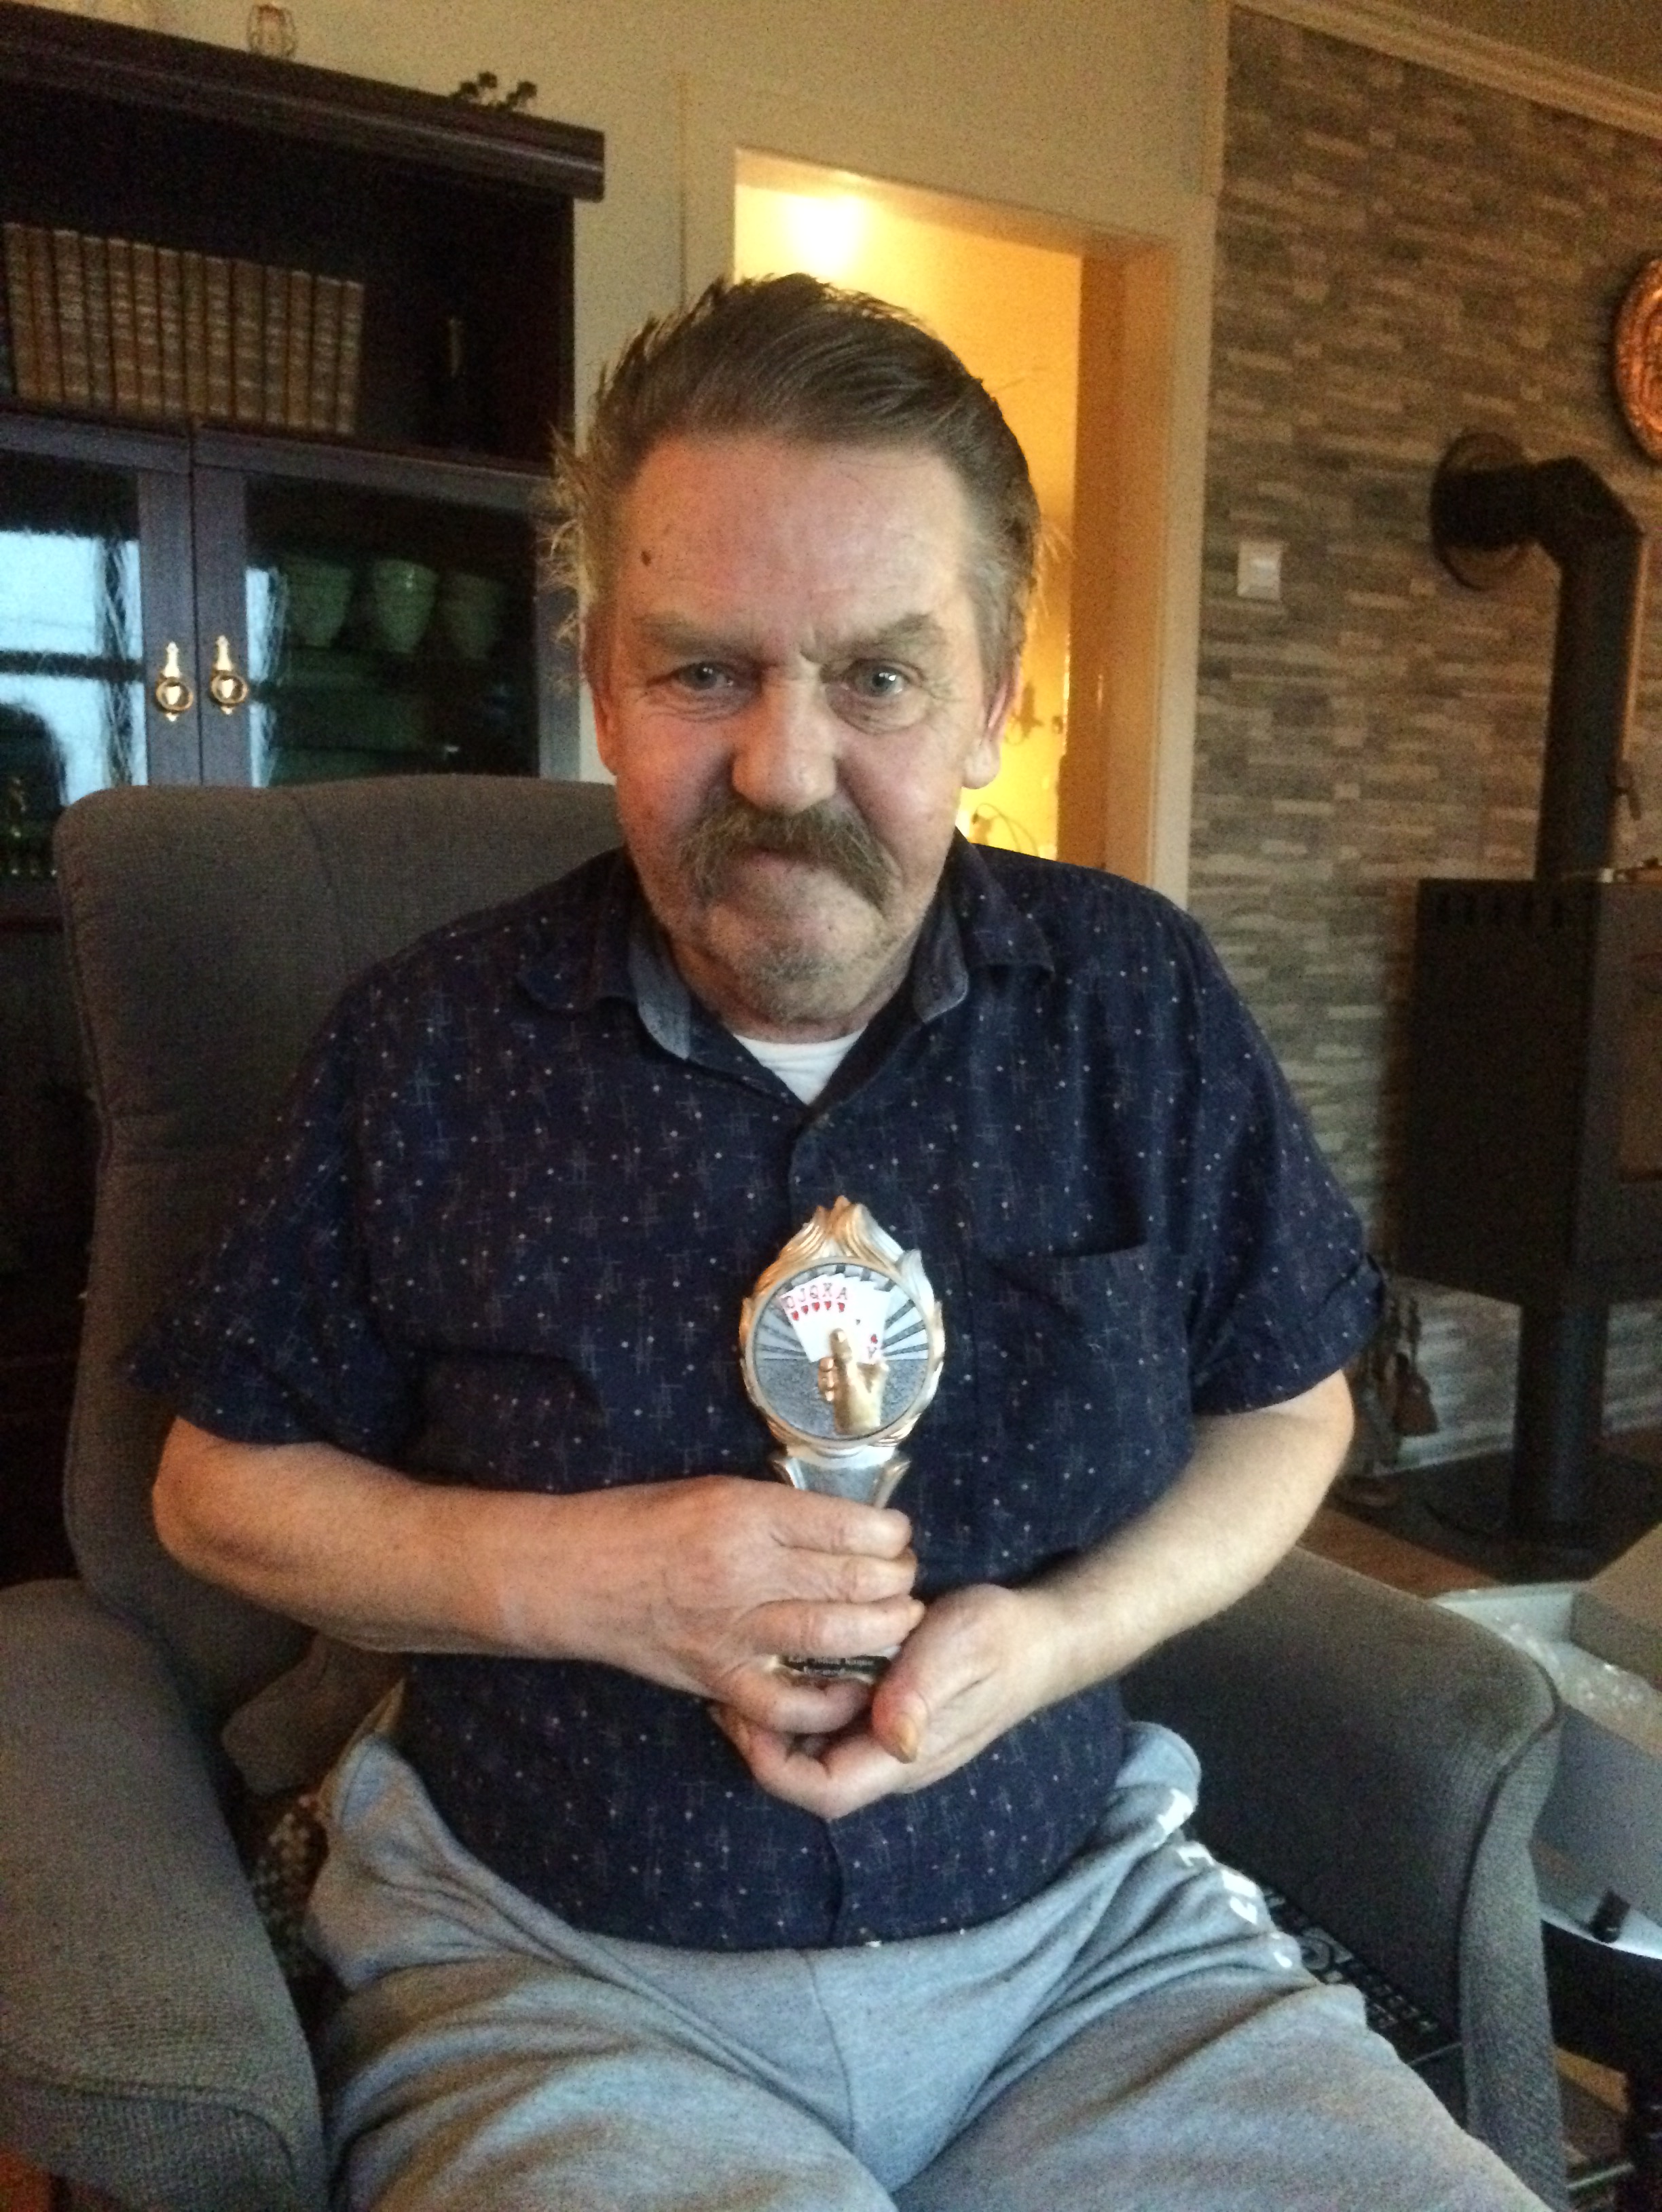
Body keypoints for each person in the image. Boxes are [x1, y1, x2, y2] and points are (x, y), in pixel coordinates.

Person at [136, 276, 1550, 2212]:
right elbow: (212, 1489)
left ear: (995, 693)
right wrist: (593, 1580)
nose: (785, 770)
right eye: (702, 673)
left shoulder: (1138, 1003)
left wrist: (1059, 1641)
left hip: (1094, 1965)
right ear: (601, 677)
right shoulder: (423, 1044)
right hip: (555, 1974)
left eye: (878, 677)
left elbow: (1289, 1404)